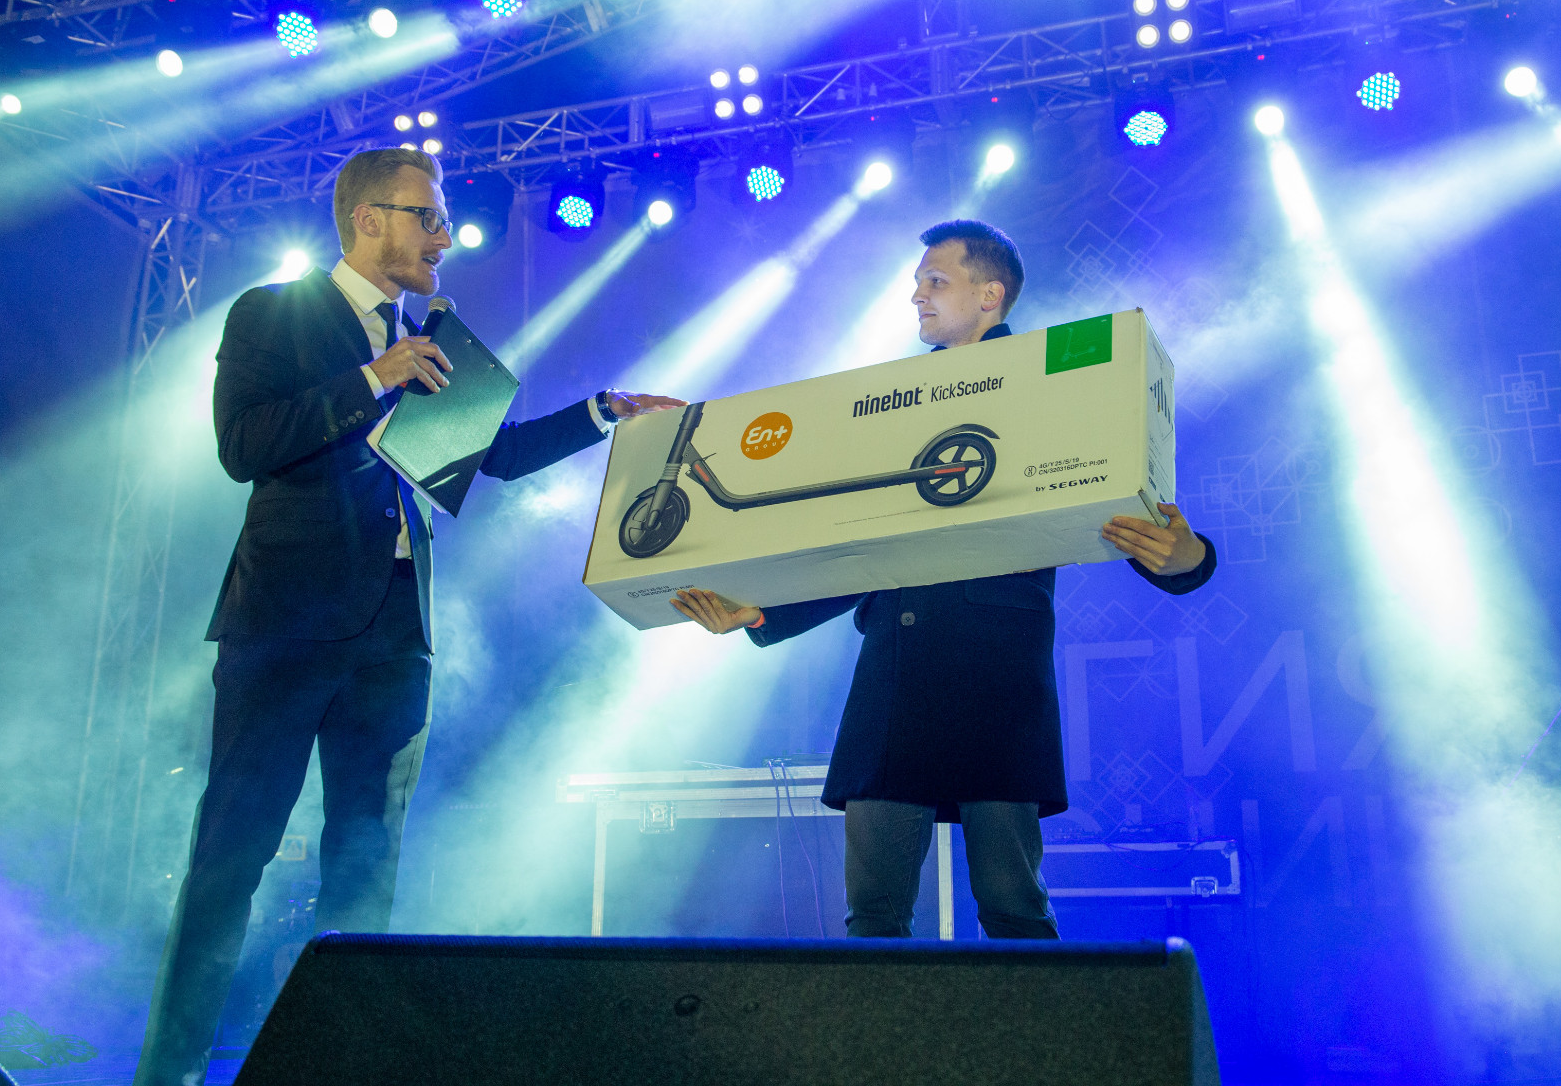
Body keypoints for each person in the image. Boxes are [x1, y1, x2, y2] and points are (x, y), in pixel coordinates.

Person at [136, 148, 682, 1086]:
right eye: (427, 217)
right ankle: (171, 1073)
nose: (444, 237)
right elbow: (243, 445)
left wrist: (602, 412)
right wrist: (373, 377)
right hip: (285, 624)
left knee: (365, 867)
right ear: (368, 220)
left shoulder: (426, 336)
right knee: (232, 856)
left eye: (443, 220)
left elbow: (494, 457)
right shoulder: (275, 312)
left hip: (396, 636)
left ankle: (336, 1070)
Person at [671, 219, 1216, 940]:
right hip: (894, 673)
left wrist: (1188, 558)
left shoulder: (1055, 383)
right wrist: (762, 610)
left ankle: (1038, 1021)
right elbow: (859, 545)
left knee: (1013, 905)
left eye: (936, 280)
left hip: (996, 675)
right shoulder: (891, 401)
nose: (917, 296)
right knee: (873, 911)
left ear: (990, 295)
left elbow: (1125, 501)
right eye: (917, 282)